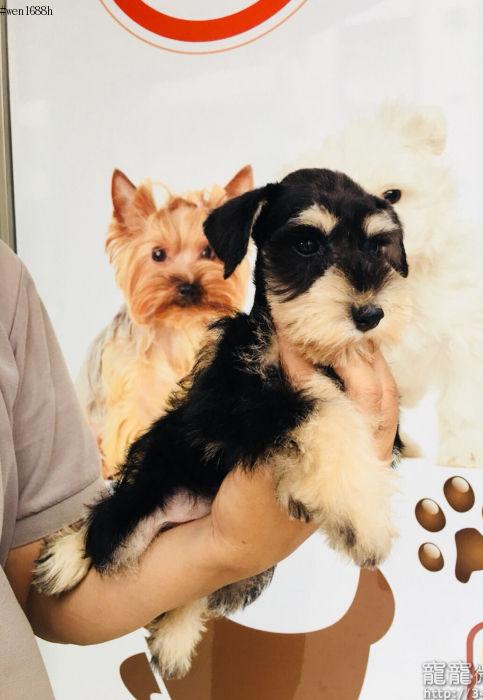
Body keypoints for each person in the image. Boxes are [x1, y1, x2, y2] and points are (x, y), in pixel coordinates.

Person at [0, 240, 399, 699]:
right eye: (160, 255)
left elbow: (40, 588)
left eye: (207, 254)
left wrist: (221, 546)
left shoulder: (7, 284)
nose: (188, 276)